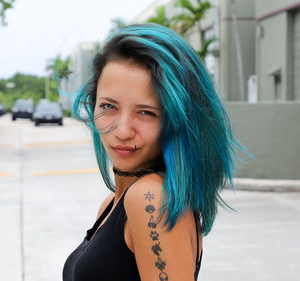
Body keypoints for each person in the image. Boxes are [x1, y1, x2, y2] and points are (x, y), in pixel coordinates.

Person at [62, 24, 240, 281]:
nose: (122, 131)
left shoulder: (151, 199)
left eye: (146, 112)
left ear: (178, 119)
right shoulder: (113, 204)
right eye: (109, 106)